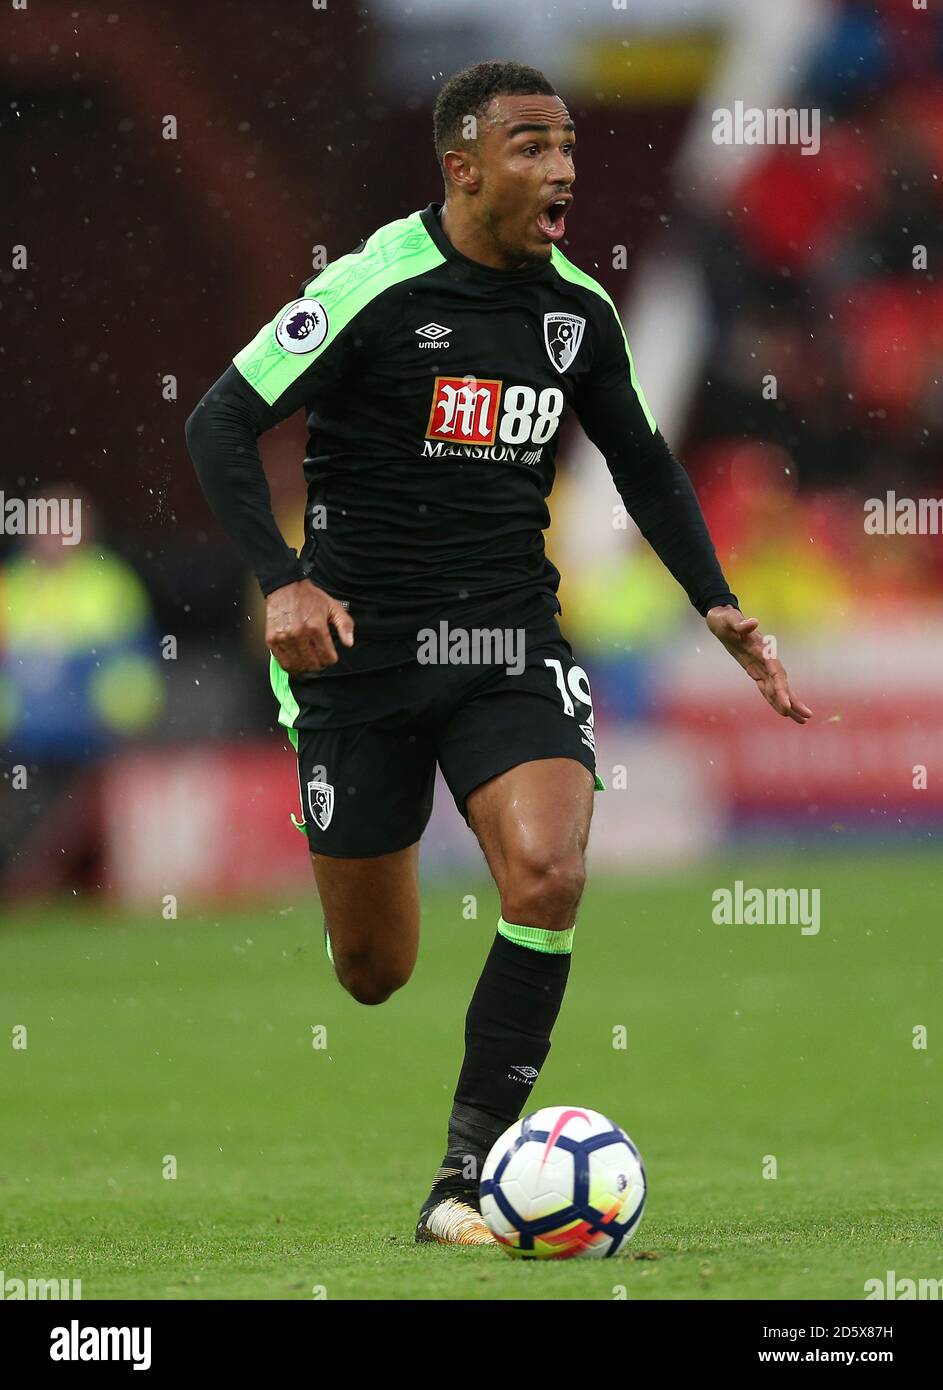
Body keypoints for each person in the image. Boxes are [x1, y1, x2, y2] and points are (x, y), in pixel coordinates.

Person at [185, 61, 811, 1248]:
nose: (561, 168)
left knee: (549, 875)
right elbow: (216, 418)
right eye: (530, 147)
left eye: (567, 146)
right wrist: (283, 582)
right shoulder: (374, 285)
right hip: (357, 655)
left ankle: (463, 1180)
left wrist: (716, 603)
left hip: (506, 643)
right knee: (373, 969)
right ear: (461, 165)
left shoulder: (577, 310)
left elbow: (642, 461)